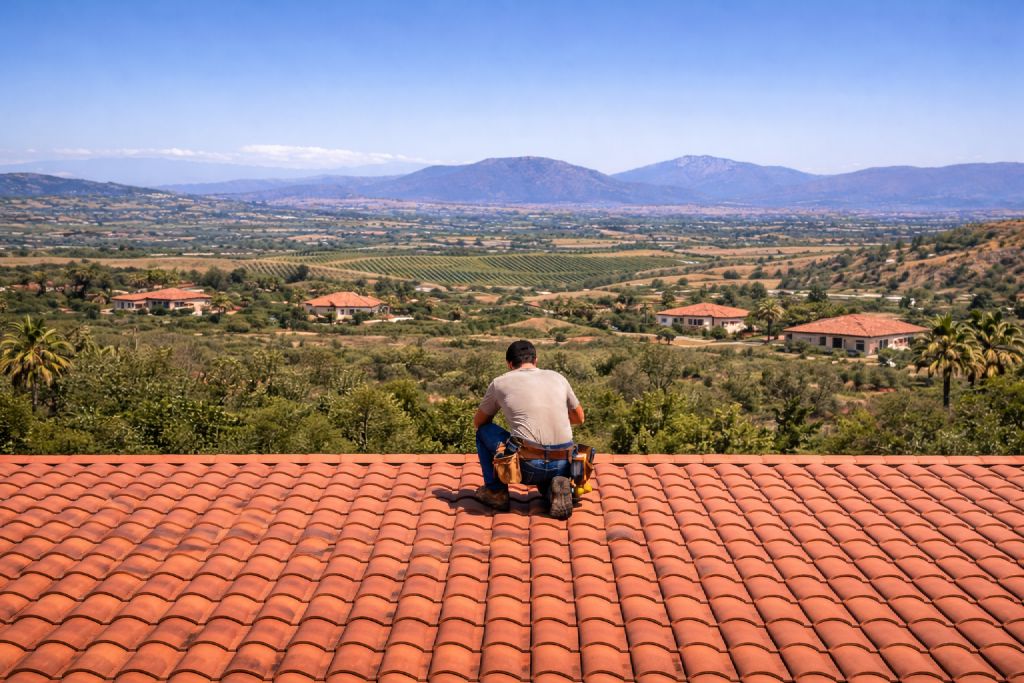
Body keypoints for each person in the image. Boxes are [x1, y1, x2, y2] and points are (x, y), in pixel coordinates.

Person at [472, 339, 585, 518]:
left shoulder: (500, 383)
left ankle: (496, 492)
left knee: (483, 432)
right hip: (565, 463)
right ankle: (554, 489)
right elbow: (579, 418)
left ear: (509, 364)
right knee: (548, 476)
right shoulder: (558, 378)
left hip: (526, 467)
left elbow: (479, 422)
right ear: (535, 360)